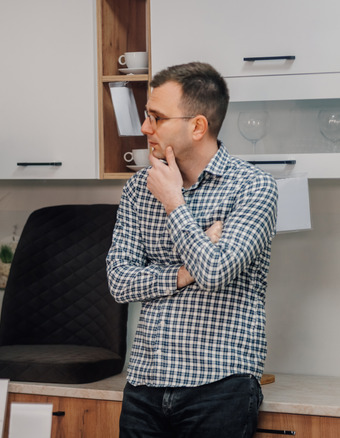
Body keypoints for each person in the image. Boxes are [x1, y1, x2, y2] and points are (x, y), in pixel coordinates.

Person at [106, 62, 278, 438]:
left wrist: (173, 202)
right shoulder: (138, 188)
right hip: (145, 384)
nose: (144, 127)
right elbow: (119, 281)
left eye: (156, 117)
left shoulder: (254, 189)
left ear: (198, 126)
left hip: (220, 385)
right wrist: (184, 273)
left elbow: (216, 272)